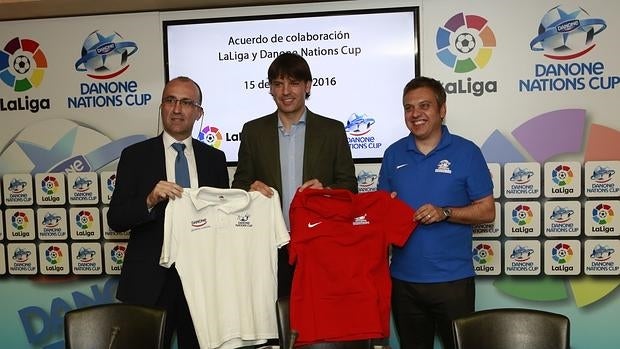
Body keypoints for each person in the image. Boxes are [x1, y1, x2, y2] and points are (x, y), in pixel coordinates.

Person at [107, 76, 229, 349]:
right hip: (149, 283)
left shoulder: (214, 159)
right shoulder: (135, 156)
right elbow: (115, 219)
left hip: (202, 283)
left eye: (186, 102)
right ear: (161, 107)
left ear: (198, 112)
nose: (177, 109)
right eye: (170, 100)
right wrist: (149, 199)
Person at [378, 76, 495, 349]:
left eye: (424, 106)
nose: (415, 114)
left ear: (442, 110)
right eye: (409, 108)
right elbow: (382, 211)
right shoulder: (393, 154)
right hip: (403, 282)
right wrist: (387, 209)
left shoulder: (467, 152)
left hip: (452, 282)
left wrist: (445, 212)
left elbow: (487, 211)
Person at [232, 52, 358, 298]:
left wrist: (326, 193)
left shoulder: (332, 131)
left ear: (307, 86)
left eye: (294, 83)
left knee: (319, 322)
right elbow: (239, 184)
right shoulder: (253, 131)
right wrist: (249, 190)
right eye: (278, 84)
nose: (285, 91)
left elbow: (350, 187)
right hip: (268, 247)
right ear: (270, 89)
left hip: (319, 244)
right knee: (274, 323)